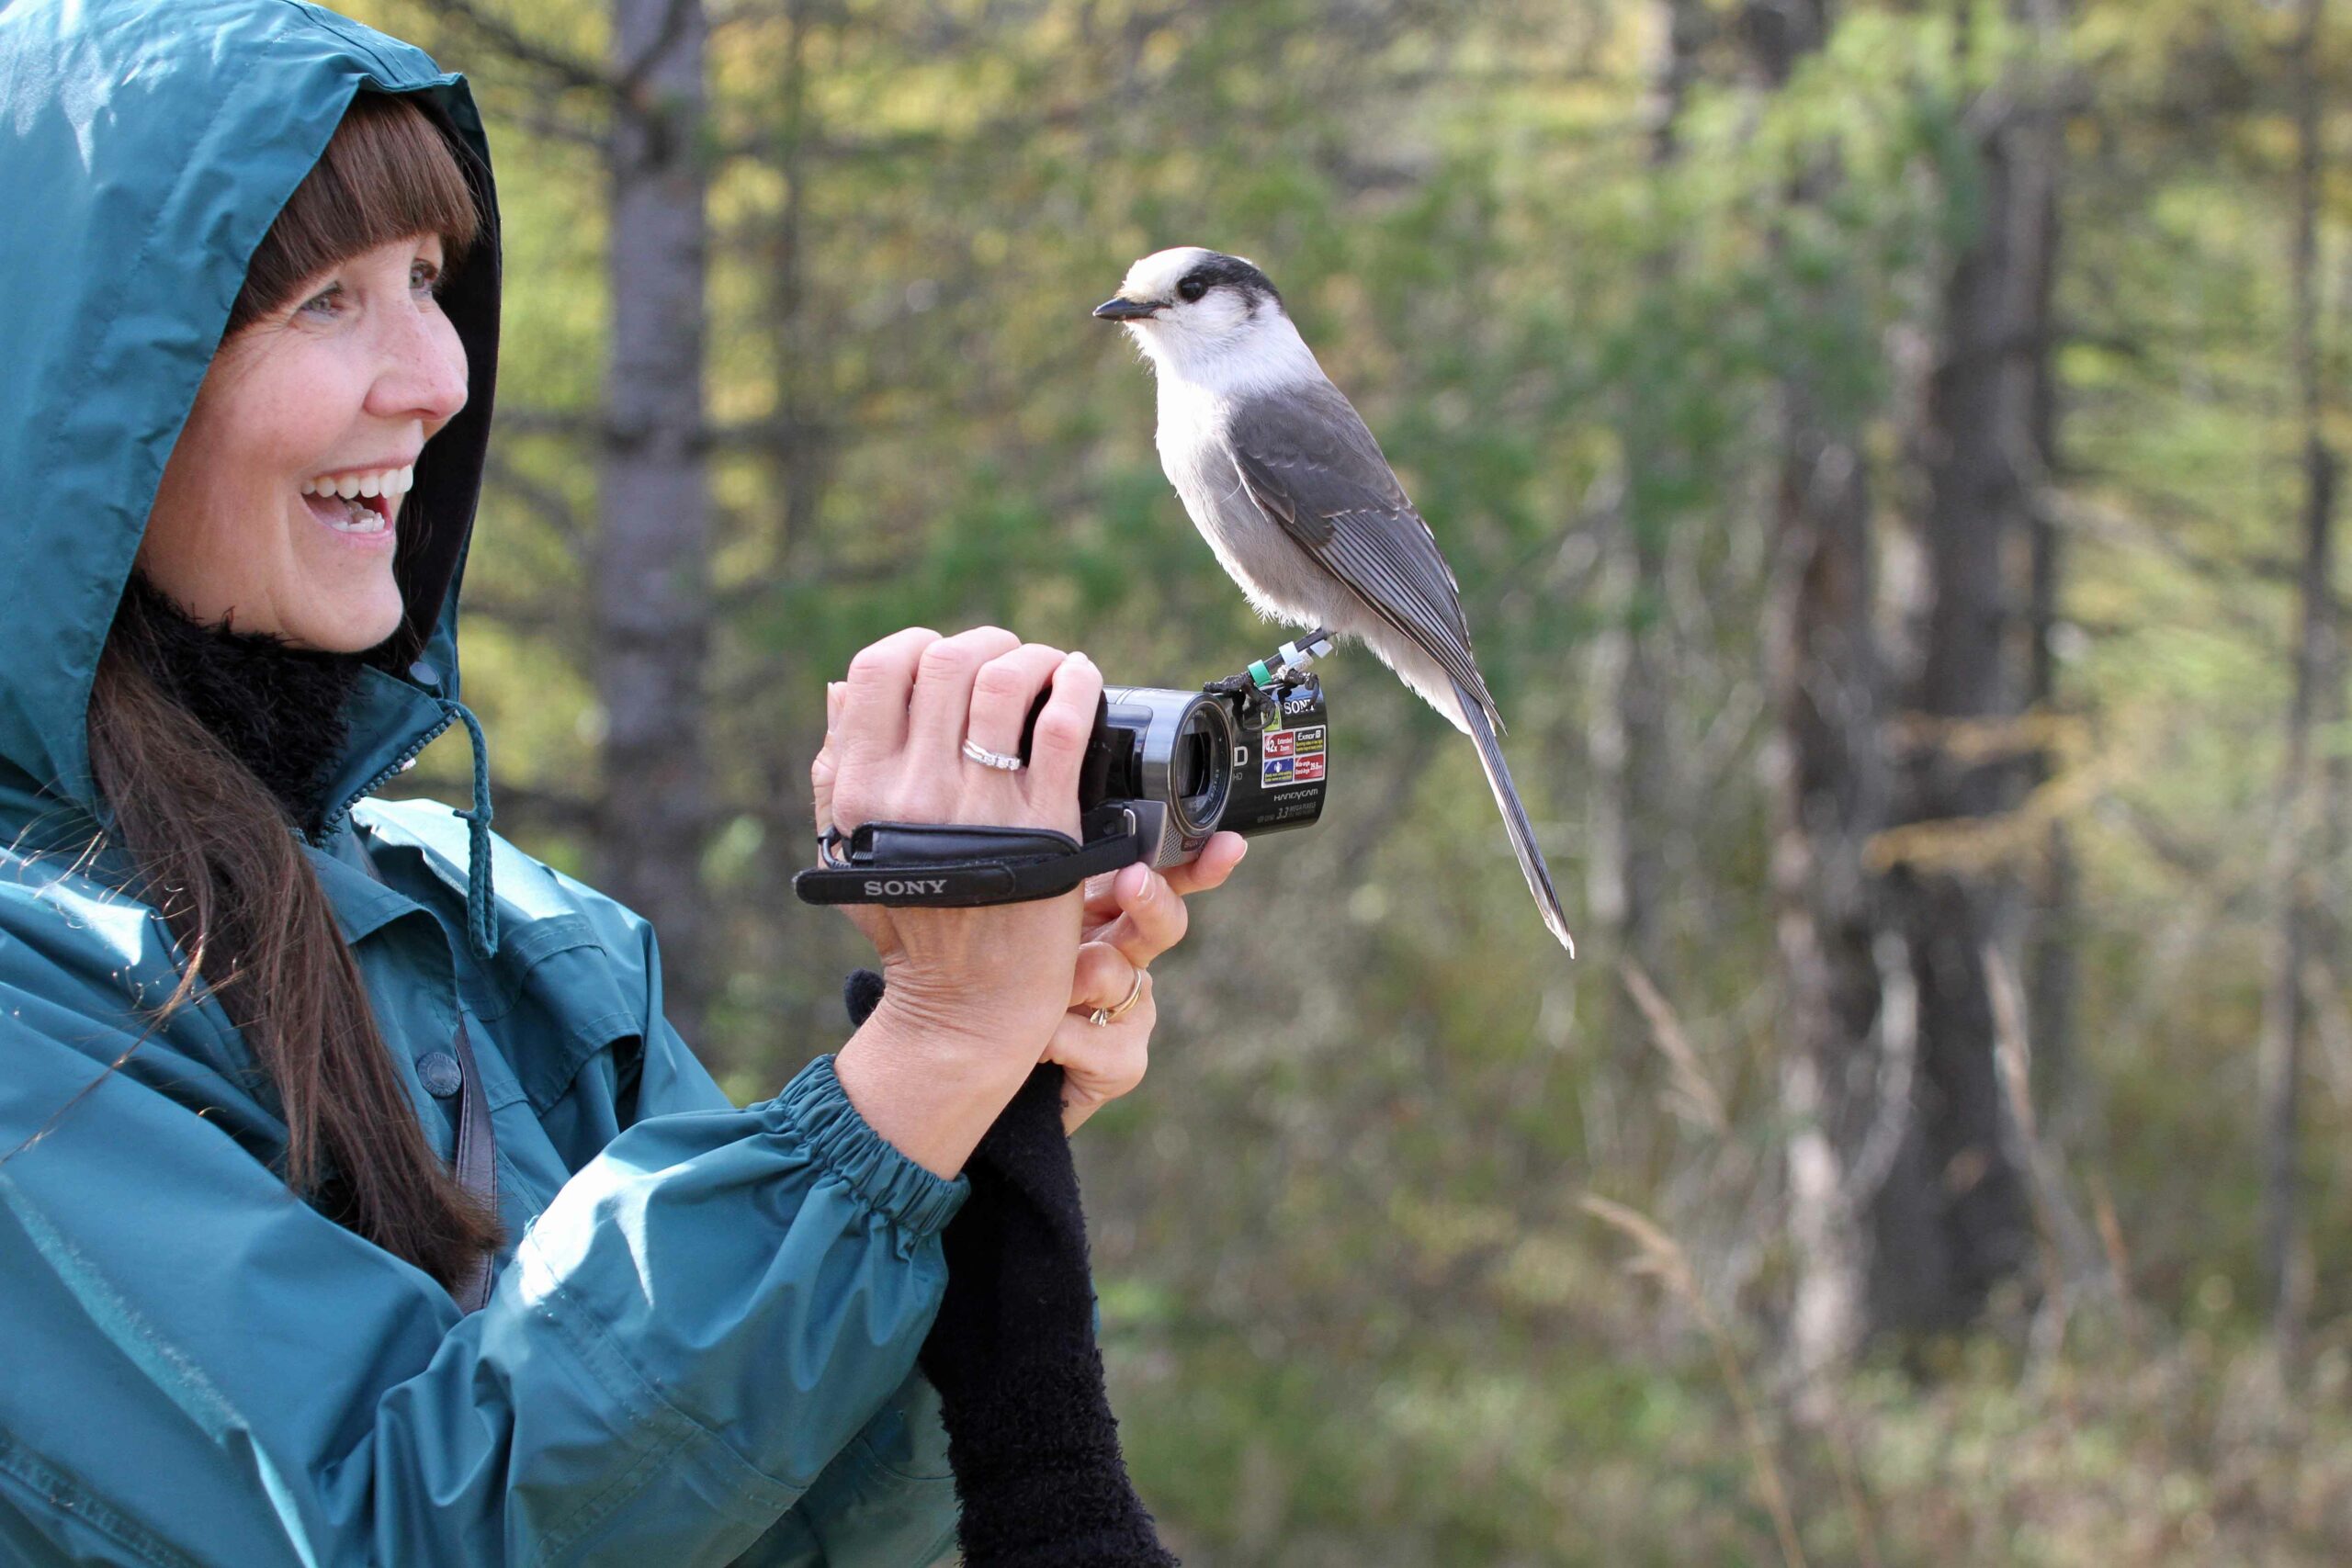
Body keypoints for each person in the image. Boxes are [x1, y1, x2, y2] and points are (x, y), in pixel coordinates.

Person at [0, 2, 1246, 1562]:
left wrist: (975, 1118)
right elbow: (395, 1528)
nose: (436, 378)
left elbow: (778, 1528)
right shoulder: (29, 1016)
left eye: (428, 284)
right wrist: (916, 1065)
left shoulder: (521, 947)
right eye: (326, 300)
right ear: (65, 402)